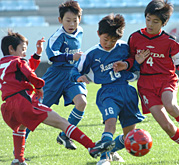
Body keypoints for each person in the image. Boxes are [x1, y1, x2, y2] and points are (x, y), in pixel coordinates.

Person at [113, 0, 179, 161]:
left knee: (171, 105)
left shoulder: (170, 41)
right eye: (148, 19)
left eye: (155, 21)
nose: (150, 24)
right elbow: (131, 61)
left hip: (166, 80)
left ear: (163, 23)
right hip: (146, 86)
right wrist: (127, 63)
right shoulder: (135, 38)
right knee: (166, 125)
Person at [0, 30, 115, 165]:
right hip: (23, 102)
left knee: (21, 128)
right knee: (61, 122)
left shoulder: (3, 64)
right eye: (23, 49)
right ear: (11, 49)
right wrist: (39, 86)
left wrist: (37, 54)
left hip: (8, 107)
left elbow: (24, 69)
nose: (24, 53)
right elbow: (29, 73)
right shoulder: (19, 61)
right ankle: (91, 146)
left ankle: (18, 159)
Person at [70, 13, 145, 165]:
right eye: (106, 39)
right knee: (110, 123)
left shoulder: (124, 48)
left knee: (129, 135)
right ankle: (104, 159)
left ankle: (110, 151)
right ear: (98, 34)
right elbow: (74, 70)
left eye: (113, 40)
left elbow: (134, 66)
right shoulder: (91, 54)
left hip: (128, 92)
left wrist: (133, 63)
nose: (109, 43)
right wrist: (79, 77)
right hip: (107, 93)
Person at [25, 0, 88, 150]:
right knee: (37, 111)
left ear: (79, 19)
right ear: (60, 20)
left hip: (72, 74)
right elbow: (53, 56)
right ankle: (20, 144)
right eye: (68, 20)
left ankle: (65, 135)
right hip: (56, 76)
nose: (72, 24)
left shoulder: (81, 31)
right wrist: (71, 57)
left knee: (82, 102)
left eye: (75, 20)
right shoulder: (57, 36)